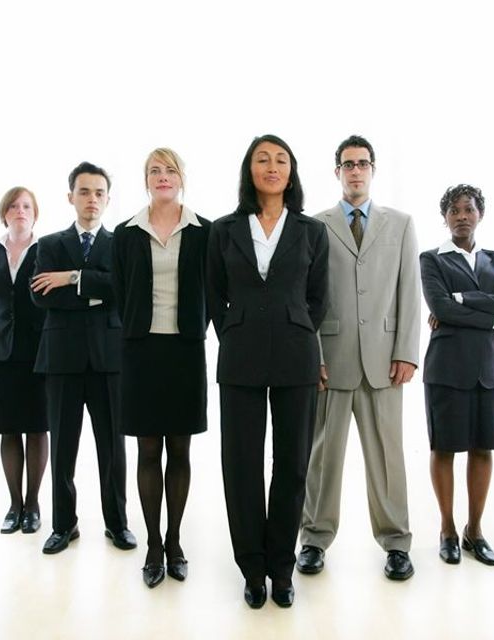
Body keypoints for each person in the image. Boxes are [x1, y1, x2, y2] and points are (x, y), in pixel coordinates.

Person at [207, 134, 328, 609]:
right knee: (241, 464)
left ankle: (281, 567)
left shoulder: (311, 231)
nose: (272, 166)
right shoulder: (224, 229)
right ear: (249, 169)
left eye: (281, 160)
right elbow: (213, 295)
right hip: (240, 356)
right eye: (263, 159)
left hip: (297, 356)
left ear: (291, 172)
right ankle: (252, 569)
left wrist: (295, 326)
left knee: (292, 463)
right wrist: (236, 331)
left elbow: (318, 298)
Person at [298, 134, 420, 581]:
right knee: (322, 456)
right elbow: (306, 297)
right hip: (331, 359)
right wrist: (312, 355)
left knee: (388, 458)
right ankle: (313, 538)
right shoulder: (315, 225)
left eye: (362, 163)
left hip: (385, 361)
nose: (355, 171)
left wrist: (406, 351)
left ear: (372, 170)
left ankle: (396, 543)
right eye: (347, 164)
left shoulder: (400, 224)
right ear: (337, 172)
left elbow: (410, 290)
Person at [112, 148, 210, 588]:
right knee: (148, 451)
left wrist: (197, 326)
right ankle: (153, 544)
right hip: (141, 353)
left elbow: (214, 289)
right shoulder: (125, 233)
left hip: (185, 350)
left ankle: (174, 541)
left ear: (181, 178)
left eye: (170, 170)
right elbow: (119, 292)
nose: (163, 176)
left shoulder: (204, 231)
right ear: (146, 180)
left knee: (181, 451)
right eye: (155, 170)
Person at [31, 162, 134, 555]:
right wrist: (96, 291)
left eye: (99, 193)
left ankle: (117, 523)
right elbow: (40, 296)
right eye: (85, 191)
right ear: (70, 196)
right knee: (62, 448)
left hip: (109, 359)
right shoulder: (49, 245)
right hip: (62, 359)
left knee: (113, 448)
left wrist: (72, 278)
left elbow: (124, 290)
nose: (92, 199)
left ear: (108, 199)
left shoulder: (120, 243)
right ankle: (63, 525)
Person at [420, 184, 494, 565]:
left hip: (490, 369)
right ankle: (447, 529)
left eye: (469, 209)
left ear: (480, 214)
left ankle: (474, 531)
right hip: (446, 368)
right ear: (445, 217)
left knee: (483, 448)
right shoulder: (432, 260)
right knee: (443, 448)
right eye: (454, 210)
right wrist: (492, 315)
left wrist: (462, 298)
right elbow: (440, 308)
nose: (462, 216)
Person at [0, 187, 48, 535]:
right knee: (7, 427)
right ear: (4, 213)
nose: (20, 211)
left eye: (26, 206)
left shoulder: (47, 250)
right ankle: (14, 504)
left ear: (35, 213)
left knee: (37, 426)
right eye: (14, 206)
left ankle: (33, 504)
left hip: (39, 350)